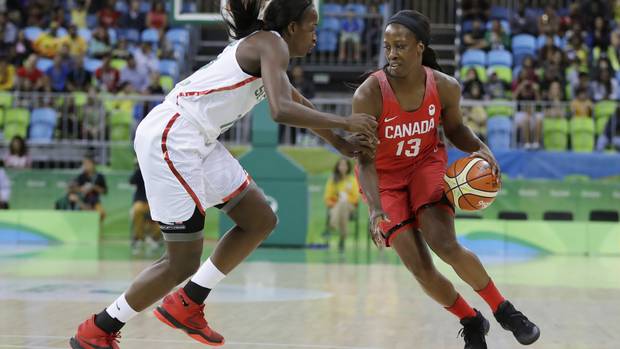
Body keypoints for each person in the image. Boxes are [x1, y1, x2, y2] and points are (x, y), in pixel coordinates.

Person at [69, 1, 377, 349]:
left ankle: (188, 302)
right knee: (180, 261)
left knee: (259, 219)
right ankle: (97, 329)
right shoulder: (271, 43)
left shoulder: (268, 50)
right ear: (292, 28)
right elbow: (280, 110)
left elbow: (295, 99)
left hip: (198, 138)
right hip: (175, 134)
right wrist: (343, 121)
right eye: (312, 27)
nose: (316, 36)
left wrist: (338, 142)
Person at [353, 10, 540, 349]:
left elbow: (455, 130)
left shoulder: (444, 86)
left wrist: (483, 149)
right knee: (420, 268)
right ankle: (471, 320)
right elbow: (364, 160)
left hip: (425, 164)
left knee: (444, 243)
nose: (392, 54)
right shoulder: (369, 94)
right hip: (383, 179)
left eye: (400, 46)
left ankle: (504, 310)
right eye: (387, 47)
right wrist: (375, 210)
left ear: (420, 47)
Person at [324, 158, 359, 252]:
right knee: (341, 205)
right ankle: (342, 238)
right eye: (341, 165)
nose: (343, 167)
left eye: (345, 165)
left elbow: (356, 197)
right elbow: (327, 197)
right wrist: (337, 201)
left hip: (350, 206)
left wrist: (347, 198)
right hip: (335, 206)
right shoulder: (333, 180)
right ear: (338, 167)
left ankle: (332, 225)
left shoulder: (352, 180)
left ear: (348, 167)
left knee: (343, 204)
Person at [129, 161, 160, 252]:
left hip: (154, 203)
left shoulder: (156, 172)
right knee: (137, 209)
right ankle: (139, 238)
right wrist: (139, 169)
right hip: (141, 201)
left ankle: (154, 238)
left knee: (163, 216)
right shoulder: (139, 172)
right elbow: (131, 181)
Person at [74, 156, 107, 222]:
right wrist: (82, 189)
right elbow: (74, 189)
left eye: (87, 164)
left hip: (95, 202)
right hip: (83, 201)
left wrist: (94, 187)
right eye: (84, 164)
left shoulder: (99, 176)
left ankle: (97, 230)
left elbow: (104, 191)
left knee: (101, 214)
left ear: (93, 164)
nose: (85, 166)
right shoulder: (81, 176)